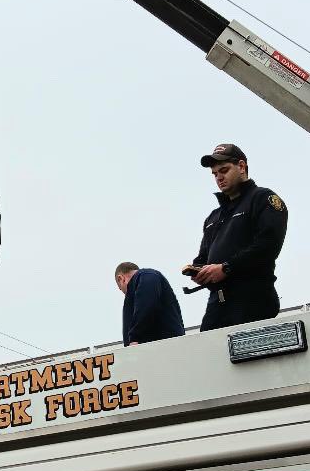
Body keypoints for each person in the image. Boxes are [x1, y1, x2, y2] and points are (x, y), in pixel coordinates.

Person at [189, 143, 288, 332]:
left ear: (241, 167)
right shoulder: (213, 217)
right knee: (209, 356)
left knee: (249, 360)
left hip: (252, 299)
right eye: (215, 174)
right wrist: (199, 272)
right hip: (216, 306)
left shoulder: (263, 198)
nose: (219, 177)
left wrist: (226, 268)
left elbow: (267, 246)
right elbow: (203, 258)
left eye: (224, 170)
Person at [115, 263, 185, 346]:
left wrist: (135, 338)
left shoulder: (146, 275)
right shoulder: (147, 277)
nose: (125, 294)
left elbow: (146, 306)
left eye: (121, 288)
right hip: (157, 347)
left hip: (161, 347)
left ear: (121, 278)